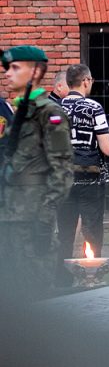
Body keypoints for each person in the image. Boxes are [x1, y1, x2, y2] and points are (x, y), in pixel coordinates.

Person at [0, 46, 73, 299]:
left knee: (34, 298)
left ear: (36, 72)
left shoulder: (49, 114)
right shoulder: (19, 113)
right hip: (9, 218)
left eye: (15, 68)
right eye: (7, 68)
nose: (8, 74)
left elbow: (62, 171)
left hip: (32, 223)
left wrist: (45, 216)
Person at [55, 64, 109, 287]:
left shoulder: (54, 108)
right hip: (91, 180)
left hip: (63, 180)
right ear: (86, 81)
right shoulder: (93, 108)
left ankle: (62, 280)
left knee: (65, 232)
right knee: (92, 229)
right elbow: (106, 148)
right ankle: (92, 277)